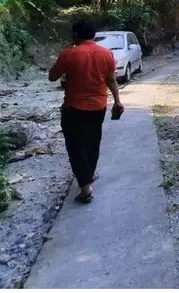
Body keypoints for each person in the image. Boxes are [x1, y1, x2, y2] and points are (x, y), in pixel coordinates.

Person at [48, 20, 123, 203]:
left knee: (75, 146)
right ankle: (89, 174)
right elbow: (111, 80)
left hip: (73, 108)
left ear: (76, 35)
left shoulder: (69, 54)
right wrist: (118, 101)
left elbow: (52, 76)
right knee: (92, 141)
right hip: (98, 106)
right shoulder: (107, 54)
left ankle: (85, 187)